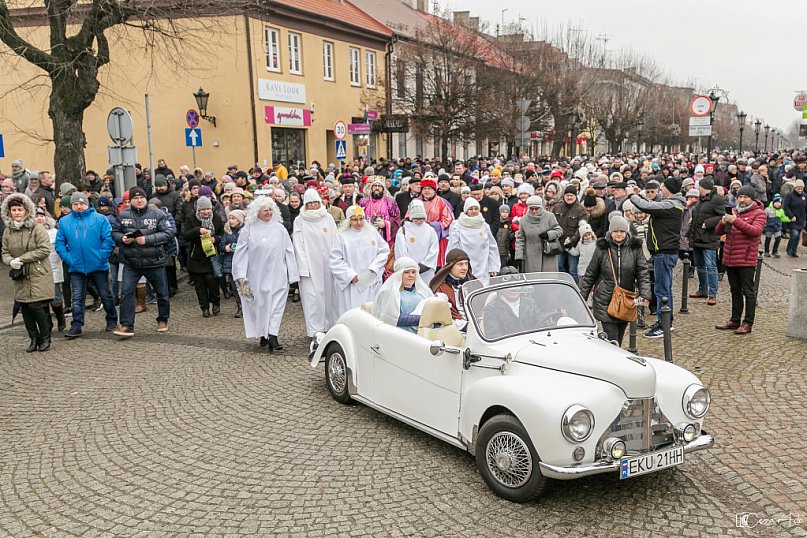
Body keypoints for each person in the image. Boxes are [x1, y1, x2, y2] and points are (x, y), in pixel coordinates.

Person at [232, 195, 299, 351]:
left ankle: (273, 335)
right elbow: (241, 253)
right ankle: (263, 333)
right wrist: (240, 275)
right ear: (257, 211)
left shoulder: (279, 228)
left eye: (270, 209)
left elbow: (289, 250)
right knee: (260, 305)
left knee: (277, 305)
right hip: (257, 275)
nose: (268, 213)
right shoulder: (248, 229)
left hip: (278, 274)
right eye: (264, 210)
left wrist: (293, 275)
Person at [111, 186, 175, 336]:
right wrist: (122, 239)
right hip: (131, 262)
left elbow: (169, 232)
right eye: (135, 198)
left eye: (142, 198)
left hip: (154, 261)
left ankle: (163, 319)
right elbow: (114, 232)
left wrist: (147, 239)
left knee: (162, 293)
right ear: (130, 201)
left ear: (146, 199)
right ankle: (127, 325)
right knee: (126, 293)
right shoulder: (123, 214)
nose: (139, 201)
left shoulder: (157, 214)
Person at [54, 191, 119, 338]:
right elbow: (60, 243)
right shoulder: (64, 222)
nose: (79, 206)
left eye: (82, 203)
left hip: (98, 265)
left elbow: (108, 240)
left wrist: (102, 256)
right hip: (76, 266)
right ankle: (76, 325)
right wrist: (68, 258)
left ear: (87, 204)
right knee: (77, 297)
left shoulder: (100, 219)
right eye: (75, 204)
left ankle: (112, 319)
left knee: (105, 294)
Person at [579, 215, 651, 346]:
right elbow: (590, 274)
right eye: (616, 231)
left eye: (622, 231)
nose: (619, 234)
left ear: (626, 232)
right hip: (605, 299)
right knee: (612, 339)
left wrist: (645, 294)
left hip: (626, 299)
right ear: (610, 232)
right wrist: (581, 298)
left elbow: (642, 273)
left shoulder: (635, 248)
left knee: (619, 337)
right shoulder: (602, 248)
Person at [628, 177, 685, 338]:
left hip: (664, 252)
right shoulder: (671, 203)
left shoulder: (671, 204)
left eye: (663, 187)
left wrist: (632, 195)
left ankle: (664, 324)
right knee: (662, 288)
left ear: (669, 189)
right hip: (662, 251)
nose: (661, 190)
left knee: (662, 290)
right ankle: (664, 320)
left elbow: (646, 206)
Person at [2, 193, 53, 352]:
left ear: (26, 210)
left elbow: (44, 250)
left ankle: (45, 337)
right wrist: (10, 261)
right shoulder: (8, 231)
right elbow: (4, 252)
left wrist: (22, 259)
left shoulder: (36, 228)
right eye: (14, 210)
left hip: (38, 272)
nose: (17, 212)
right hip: (20, 274)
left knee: (36, 306)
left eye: (20, 209)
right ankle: (33, 338)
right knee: (24, 307)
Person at [714, 186, 765, 335]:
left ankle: (748, 322)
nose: (741, 200)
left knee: (748, 292)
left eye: (745, 197)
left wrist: (735, 221)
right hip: (731, 258)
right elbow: (718, 232)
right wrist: (723, 222)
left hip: (746, 259)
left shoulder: (759, 213)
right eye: (740, 197)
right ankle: (734, 320)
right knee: (734, 290)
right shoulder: (734, 211)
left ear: (752, 198)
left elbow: (755, 232)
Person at [330, 205, 390, 318]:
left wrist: (374, 267)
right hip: (352, 283)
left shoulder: (372, 232)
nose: (358, 222)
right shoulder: (341, 236)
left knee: (370, 313)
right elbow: (335, 260)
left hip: (370, 279)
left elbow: (384, 251)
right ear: (348, 220)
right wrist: (350, 275)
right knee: (352, 313)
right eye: (354, 219)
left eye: (361, 219)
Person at [293, 189, 338, 341]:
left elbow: (335, 239)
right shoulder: (300, 220)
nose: (312, 206)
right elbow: (298, 244)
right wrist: (303, 266)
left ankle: (330, 326)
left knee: (330, 296)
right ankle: (314, 329)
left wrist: (336, 261)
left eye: (315, 202)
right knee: (312, 297)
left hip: (328, 264)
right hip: (310, 265)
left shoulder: (328, 218)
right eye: (309, 203)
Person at [183, 195, 225, 317]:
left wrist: (214, 239)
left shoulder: (216, 218)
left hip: (212, 256)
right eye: (203, 210)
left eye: (208, 209)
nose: (206, 212)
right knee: (199, 285)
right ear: (198, 210)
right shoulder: (191, 218)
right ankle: (204, 307)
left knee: (212, 282)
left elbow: (222, 235)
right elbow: (185, 235)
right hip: (196, 257)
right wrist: (197, 230)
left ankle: (216, 302)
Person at [687, 177, 725, 305]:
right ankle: (703, 289)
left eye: (699, 187)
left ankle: (712, 294)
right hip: (698, 237)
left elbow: (722, 216)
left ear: (704, 187)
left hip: (709, 237)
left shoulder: (717, 200)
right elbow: (698, 215)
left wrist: (708, 223)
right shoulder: (701, 200)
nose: (698, 189)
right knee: (700, 265)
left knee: (711, 266)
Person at [372, 257, 434, 333]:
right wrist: (422, 319)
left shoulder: (423, 292)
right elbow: (392, 318)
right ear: (399, 274)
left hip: (423, 335)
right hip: (399, 337)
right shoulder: (388, 292)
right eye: (407, 272)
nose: (411, 275)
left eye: (413, 272)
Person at [447, 198, 500, 286]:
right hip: (464, 263)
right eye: (471, 209)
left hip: (482, 264)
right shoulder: (457, 225)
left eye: (476, 209)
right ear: (466, 211)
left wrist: (493, 266)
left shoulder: (484, 225)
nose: (474, 211)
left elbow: (492, 247)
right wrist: (450, 264)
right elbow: (452, 246)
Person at [33, 208, 66, 332]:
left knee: (56, 297)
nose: (39, 218)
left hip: (53, 267)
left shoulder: (54, 232)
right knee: (42, 299)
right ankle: (47, 323)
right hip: (37, 269)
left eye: (41, 216)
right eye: (36, 216)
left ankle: (60, 317)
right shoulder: (30, 232)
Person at [482, 266, 538, 339]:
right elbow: (494, 336)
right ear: (500, 288)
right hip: (508, 347)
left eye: (516, 285)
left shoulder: (530, 303)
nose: (513, 289)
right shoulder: (491, 309)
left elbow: (542, 323)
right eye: (508, 286)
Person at [394, 199, 439, 284]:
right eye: (416, 219)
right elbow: (401, 251)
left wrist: (425, 265)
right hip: (409, 271)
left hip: (426, 272)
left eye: (421, 219)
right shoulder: (403, 230)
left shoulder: (430, 230)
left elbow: (434, 249)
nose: (419, 221)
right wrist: (410, 266)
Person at [514, 196, 563, 273]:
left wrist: (548, 235)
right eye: (531, 209)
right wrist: (519, 257)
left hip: (548, 254)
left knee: (548, 279)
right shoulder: (523, 220)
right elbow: (520, 239)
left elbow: (559, 230)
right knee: (534, 280)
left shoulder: (549, 216)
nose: (534, 211)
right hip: (531, 256)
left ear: (541, 207)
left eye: (536, 208)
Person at [429, 248, 474, 329]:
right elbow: (442, 318)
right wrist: (466, 326)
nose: (464, 268)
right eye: (460, 264)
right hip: (454, 330)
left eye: (466, 264)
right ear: (450, 266)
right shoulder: (441, 288)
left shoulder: (472, 284)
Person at [220, 209, 245, 317]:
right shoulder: (227, 232)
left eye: (233, 218)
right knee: (235, 288)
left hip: (242, 263)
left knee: (244, 286)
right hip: (230, 263)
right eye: (230, 218)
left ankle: (247, 306)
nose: (230, 220)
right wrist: (225, 248)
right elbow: (221, 245)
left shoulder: (245, 231)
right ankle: (239, 306)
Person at [783, 180, 806, 257]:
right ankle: (789, 250)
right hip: (793, 219)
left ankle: (794, 251)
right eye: (798, 188)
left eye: (801, 188)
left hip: (801, 219)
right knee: (794, 234)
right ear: (795, 188)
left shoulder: (804, 196)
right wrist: (791, 216)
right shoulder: (789, 195)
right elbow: (785, 207)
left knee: (798, 237)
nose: (800, 190)